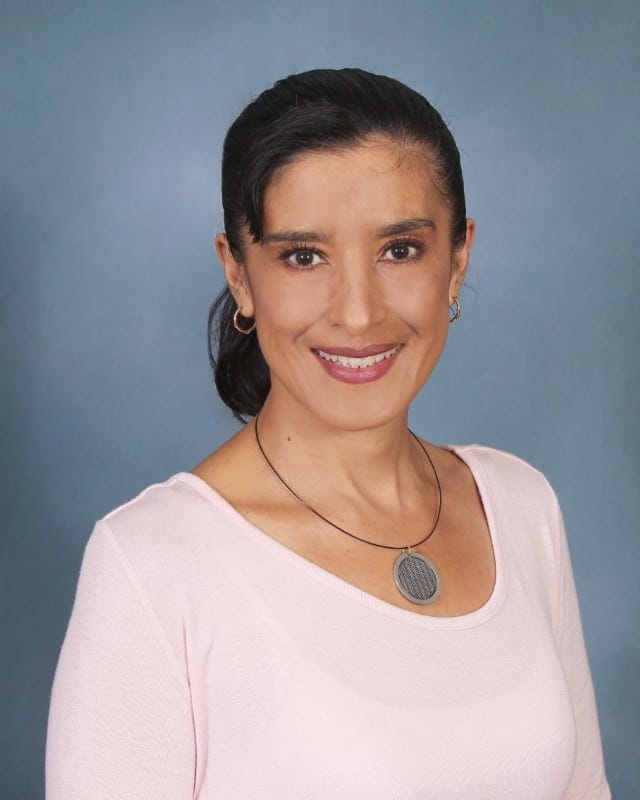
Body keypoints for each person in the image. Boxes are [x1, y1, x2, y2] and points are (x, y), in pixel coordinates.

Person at [45, 68, 611, 799]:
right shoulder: (151, 566)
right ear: (239, 275)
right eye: (303, 257)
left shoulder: (520, 505)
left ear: (458, 260)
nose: (358, 313)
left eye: (400, 249)